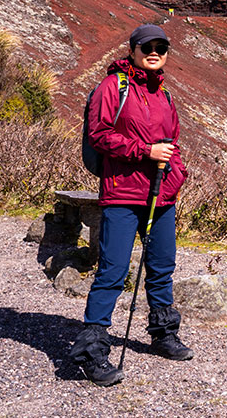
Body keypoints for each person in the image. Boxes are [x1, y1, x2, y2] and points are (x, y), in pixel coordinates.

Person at [69, 24, 192, 386]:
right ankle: (92, 352)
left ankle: (163, 333)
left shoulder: (165, 94)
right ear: (133, 49)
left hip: (161, 195)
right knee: (112, 271)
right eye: (147, 46)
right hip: (123, 193)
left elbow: (173, 143)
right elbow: (100, 135)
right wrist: (145, 152)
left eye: (161, 47)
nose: (154, 51)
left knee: (160, 266)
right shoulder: (114, 86)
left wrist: (176, 176)